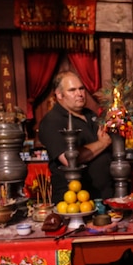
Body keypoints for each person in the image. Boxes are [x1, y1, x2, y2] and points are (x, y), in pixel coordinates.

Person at [38, 71, 112, 203]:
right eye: (72, 90)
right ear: (59, 94)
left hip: (104, 195)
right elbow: (69, 158)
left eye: (81, 88)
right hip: (75, 200)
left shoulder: (90, 114)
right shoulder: (52, 121)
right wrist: (102, 144)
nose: (79, 94)